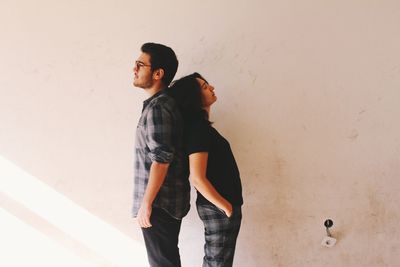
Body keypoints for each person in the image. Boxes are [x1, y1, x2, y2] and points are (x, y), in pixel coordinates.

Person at [168, 73, 243, 267]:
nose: (212, 88)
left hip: (219, 206)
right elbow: (197, 178)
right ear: (193, 97)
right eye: (204, 86)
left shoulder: (201, 128)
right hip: (218, 208)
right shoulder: (198, 129)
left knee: (217, 263)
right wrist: (225, 207)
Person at [132, 42, 190, 267]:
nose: (134, 69)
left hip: (159, 204)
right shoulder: (158, 105)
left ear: (158, 73)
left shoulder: (159, 108)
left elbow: (162, 159)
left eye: (140, 64)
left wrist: (146, 204)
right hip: (160, 203)